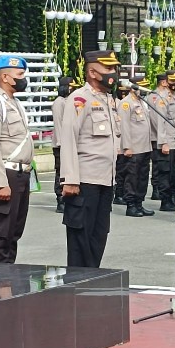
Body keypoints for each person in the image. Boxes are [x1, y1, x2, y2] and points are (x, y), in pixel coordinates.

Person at [60, 50, 121, 268]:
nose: (113, 73)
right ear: (93, 72)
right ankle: (77, 288)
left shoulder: (109, 100)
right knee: (80, 239)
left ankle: (92, 283)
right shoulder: (79, 99)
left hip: (106, 180)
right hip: (84, 181)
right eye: (109, 68)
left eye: (114, 68)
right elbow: (68, 139)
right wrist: (70, 179)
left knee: (98, 236)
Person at [0, 56, 34, 263]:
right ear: (4, 77)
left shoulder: (15, 103)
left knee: (14, 232)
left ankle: (8, 279)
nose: (23, 79)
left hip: (22, 174)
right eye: (19, 75)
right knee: (3, 233)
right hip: (7, 174)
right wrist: (0, 183)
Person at [118, 75, 154, 218]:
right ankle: (131, 205)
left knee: (143, 177)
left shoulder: (142, 103)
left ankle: (139, 203)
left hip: (145, 147)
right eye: (141, 88)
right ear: (133, 88)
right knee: (132, 177)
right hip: (133, 148)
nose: (144, 91)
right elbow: (124, 126)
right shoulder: (126, 103)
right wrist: (127, 147)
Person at [151, 71, 175, 212]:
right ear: (165, 82)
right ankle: (165, 200)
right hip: (167, 142)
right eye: (172, 81)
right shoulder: (161, 98)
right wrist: (163, 142)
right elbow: (160, 121)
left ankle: (172, 197)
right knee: (165, 171)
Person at [52, 77, 79, 213]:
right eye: (70, 86)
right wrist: (61, 143)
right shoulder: (59, 102)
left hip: (69, 143)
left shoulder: (70, 101)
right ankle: (60, 200)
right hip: (61, 143)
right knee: (60, 171)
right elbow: (58, 124)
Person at [113, 82, 130, 206]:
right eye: (121, 91)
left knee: (124, 170)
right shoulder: (115, 103)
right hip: (117, 142)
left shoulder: (123, 103)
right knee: (119, 170)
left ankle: (123, 192)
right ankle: (118, 194)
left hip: (124, 141)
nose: (123, 94)